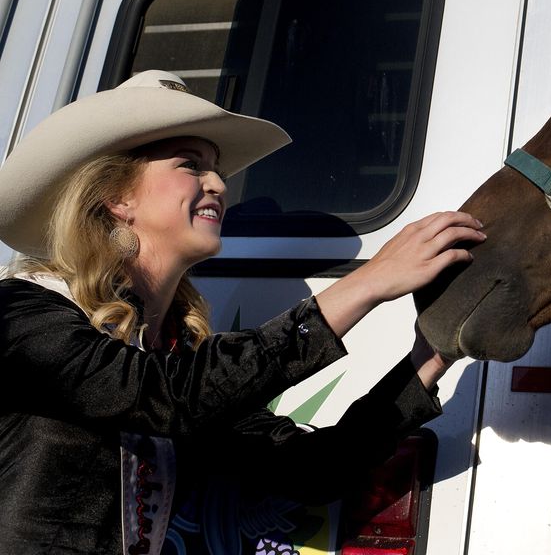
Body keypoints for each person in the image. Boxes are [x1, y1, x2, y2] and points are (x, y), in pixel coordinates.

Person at [0, 70, 485, 554]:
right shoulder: (22, 309)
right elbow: (160, 397)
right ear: (118, 198)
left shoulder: (177, 352)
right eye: (192, 166)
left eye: (219, 172)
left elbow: (311, 471)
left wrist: (429, 359)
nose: (218, 184)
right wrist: (368, 283)